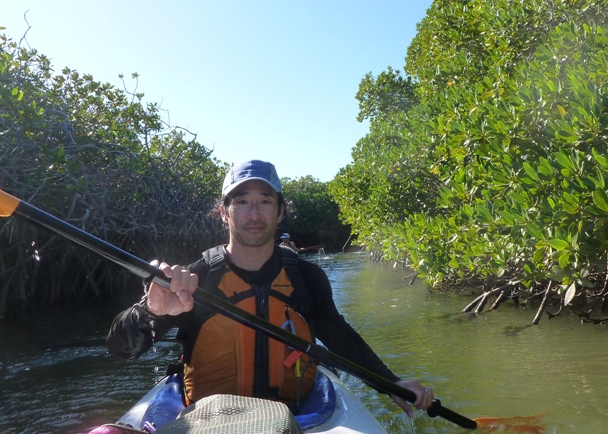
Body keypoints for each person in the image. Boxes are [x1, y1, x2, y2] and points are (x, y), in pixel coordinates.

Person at [106, 159, 434, 416]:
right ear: (224, 212)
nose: (254, 213)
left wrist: (390, 383)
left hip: (295, 418)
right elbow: (121, 349)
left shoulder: (307, 278)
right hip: (207, 418)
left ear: (280, 212)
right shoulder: (195, 279)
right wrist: (150, 311)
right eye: (242, 201)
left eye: (265, 201)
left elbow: (338, 337)